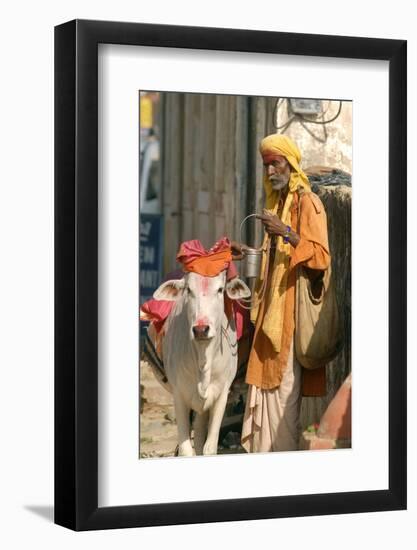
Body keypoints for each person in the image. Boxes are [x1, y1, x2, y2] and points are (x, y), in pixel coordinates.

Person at [231, 134, 331, 453]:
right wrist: (246, 251)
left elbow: (321, 258)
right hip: (268, 319)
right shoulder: (276, 206)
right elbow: (273, 262)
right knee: (266, 398)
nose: (271, 171)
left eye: (276, 163)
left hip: (290, 321)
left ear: (290, 164)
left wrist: (286, 233)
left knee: (284, 405)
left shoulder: (308, 203)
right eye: (266, 165)